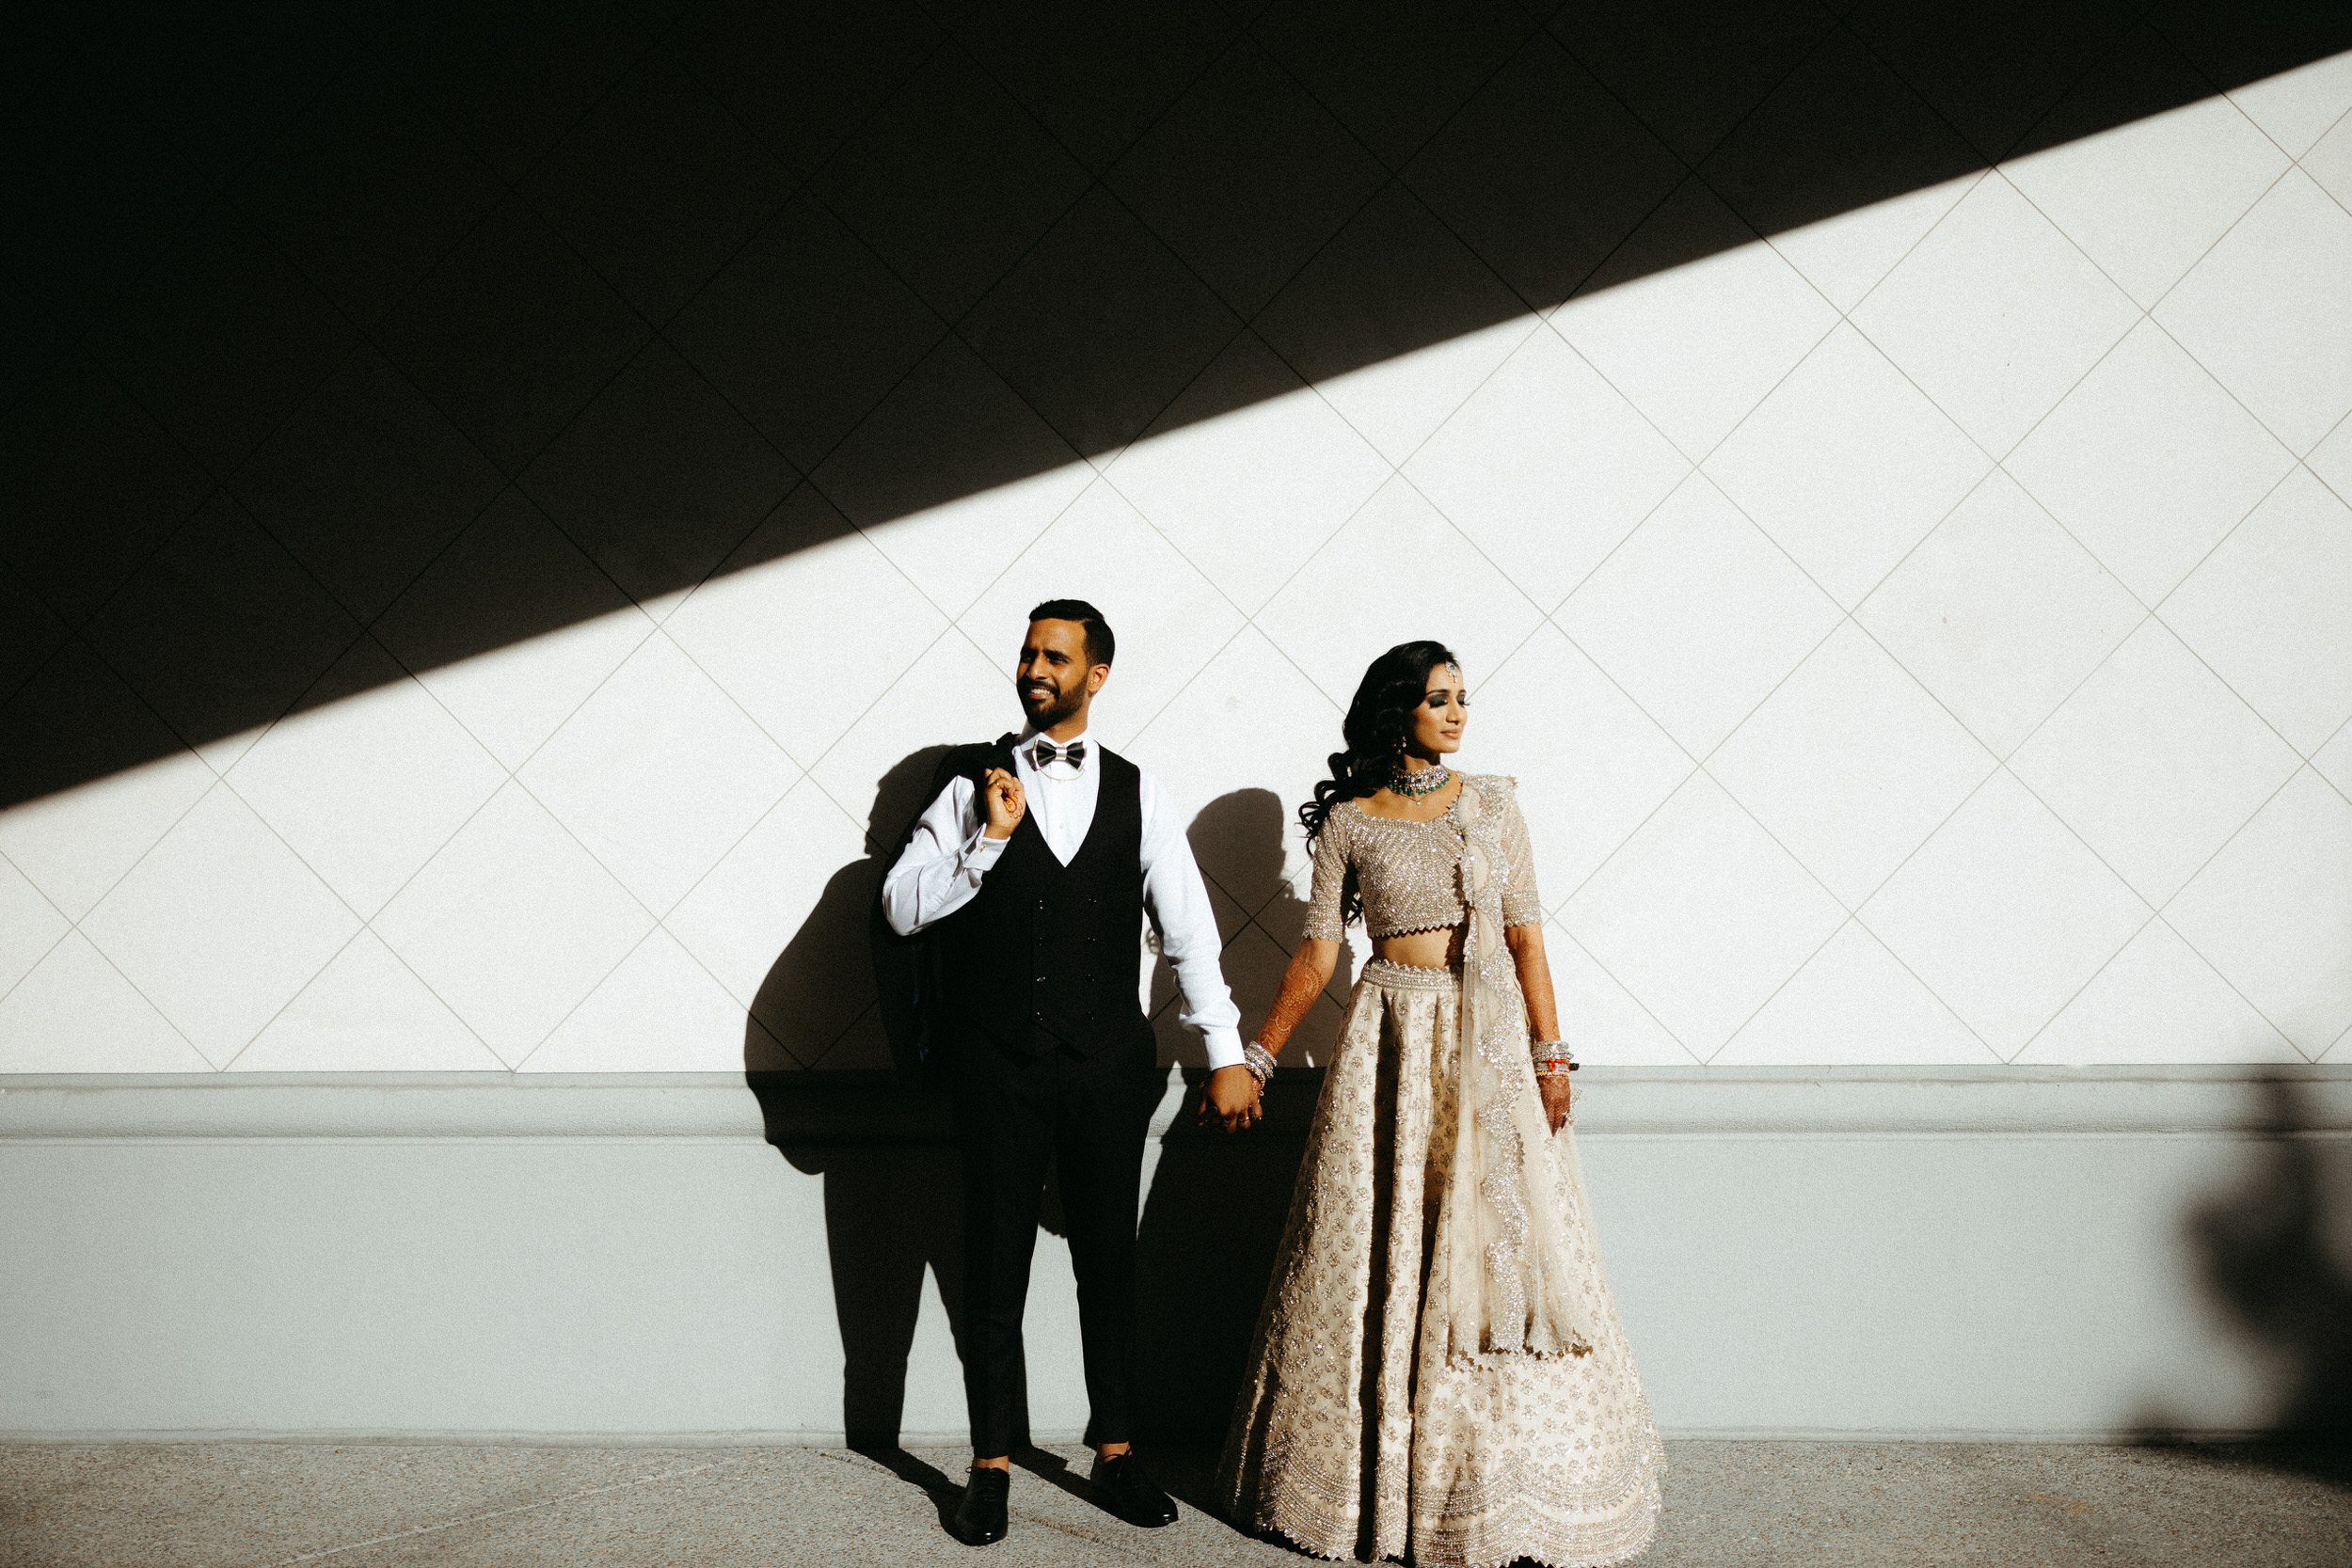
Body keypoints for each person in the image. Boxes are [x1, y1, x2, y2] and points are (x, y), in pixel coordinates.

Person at [1210, 641, 1663, 1566]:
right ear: (1397, 711)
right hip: (1389, 1044)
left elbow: (1529, 938)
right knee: (1384, 1247)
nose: (1457, 713)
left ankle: (1506, 1494)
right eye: (1437, 698)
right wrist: (1258, 1053)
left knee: (1497, 1244)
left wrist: (1551, 1054)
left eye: (1462, 697)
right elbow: (1318, 953)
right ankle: (1372, 1495)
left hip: (1486, 1046)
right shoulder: (1347, 819)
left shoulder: (1494, 804)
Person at [882, 599, 1260, 1547]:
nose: (1035, 666)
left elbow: (1188, 932)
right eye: (1027, 651)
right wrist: (990, 839)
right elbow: (898, 906)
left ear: (1096, 675)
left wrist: (1222, 1051)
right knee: (992, 1263)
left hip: (1105, 1064)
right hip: (995, 1063)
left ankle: (1118, 1449)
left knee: (1108, 1261)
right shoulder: (971, 785)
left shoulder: (1139, 789)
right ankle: (990, 1465)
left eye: (1056, 655)